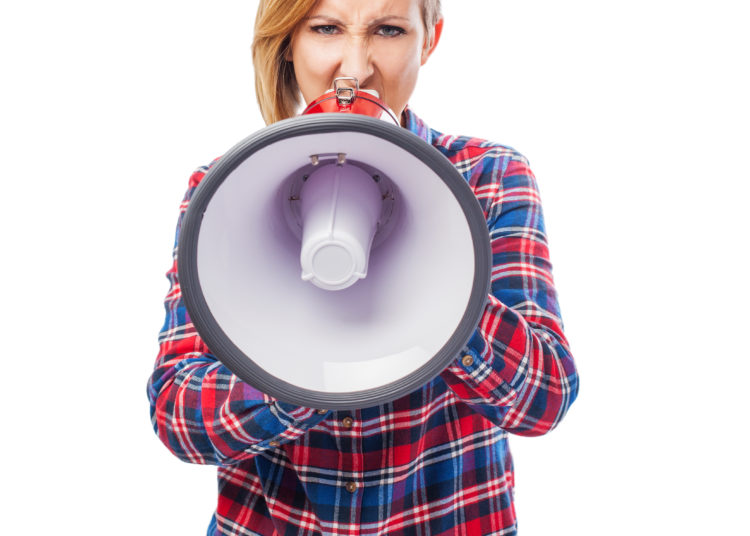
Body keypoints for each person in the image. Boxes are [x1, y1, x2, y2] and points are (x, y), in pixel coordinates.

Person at [147, 0, 579, 534]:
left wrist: (440, 288)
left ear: (429, 39)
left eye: (389, 30)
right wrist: (302, 373)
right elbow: (178, 417)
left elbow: (545, 399)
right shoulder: (222, 193)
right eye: (326, 28)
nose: (356, 69)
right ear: (288, 41)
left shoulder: (488, 176)